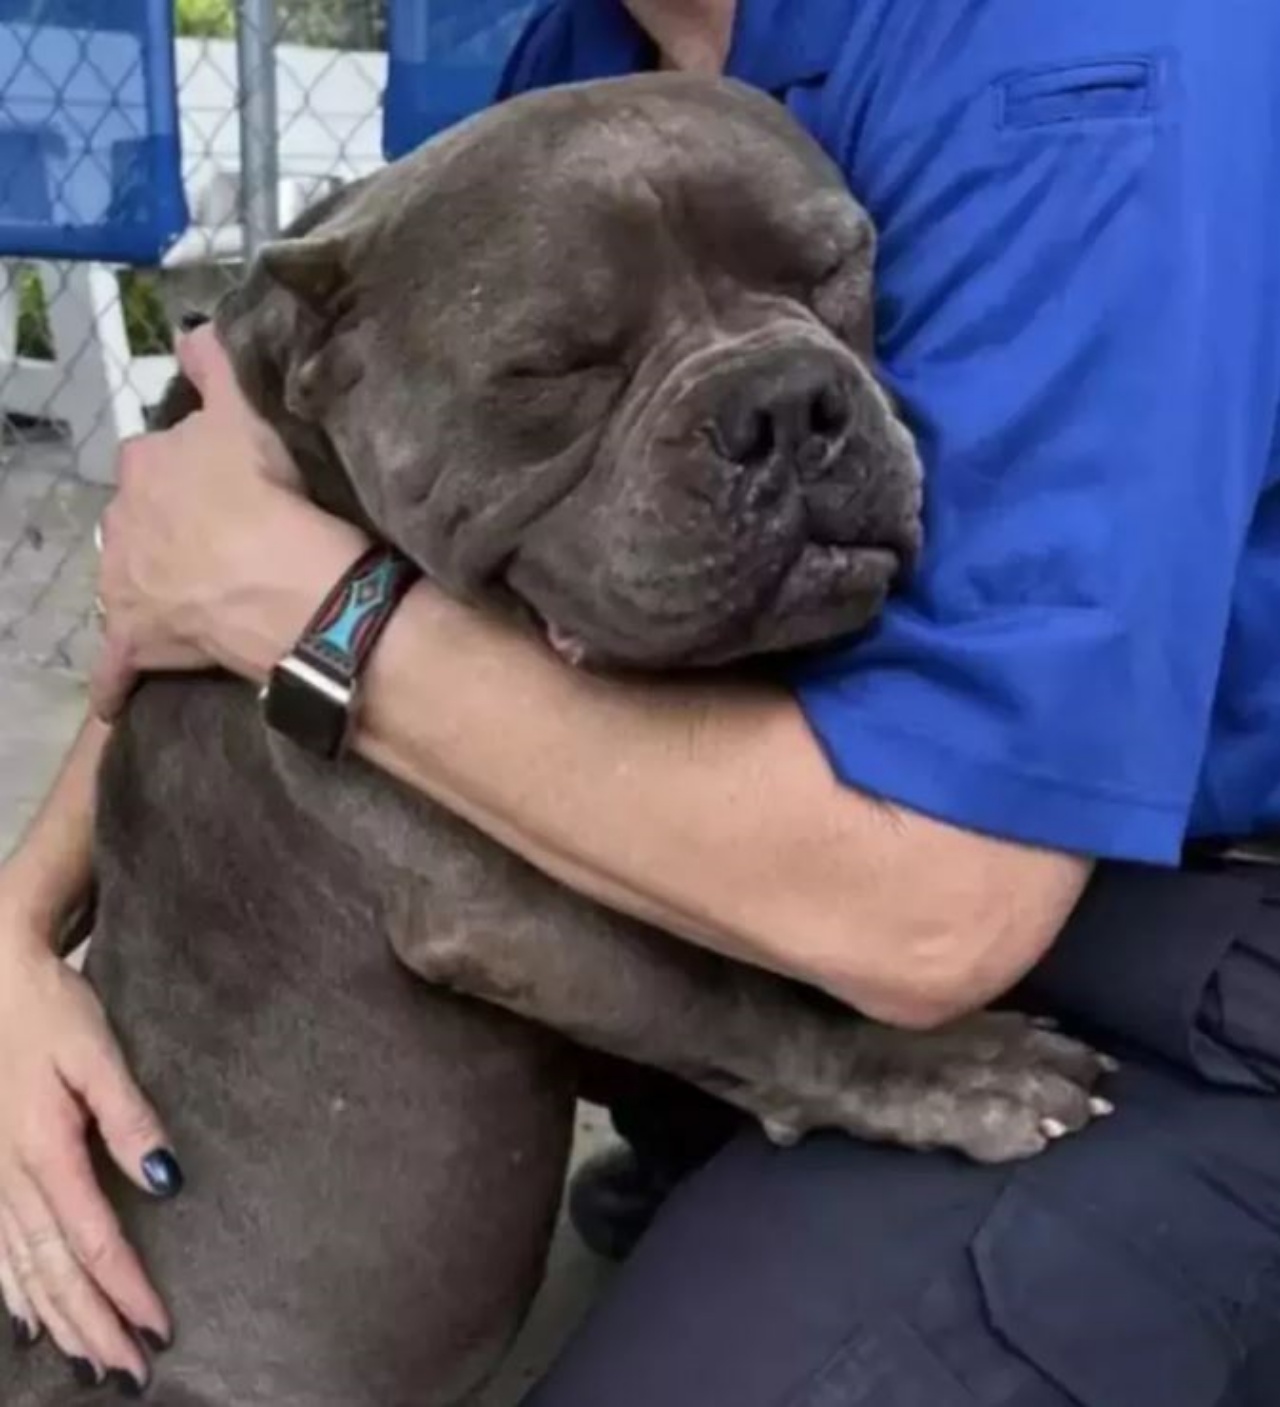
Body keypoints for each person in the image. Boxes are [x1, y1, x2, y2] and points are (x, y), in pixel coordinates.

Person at [2, 0, 1279, 1399]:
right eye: (561, 367)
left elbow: (940, 913)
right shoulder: (582, 54)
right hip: (788, 903)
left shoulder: (1088, 55)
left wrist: (326, 618)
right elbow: (218, 519)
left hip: (1160, 948)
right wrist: (16, 928)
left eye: (820, 279)